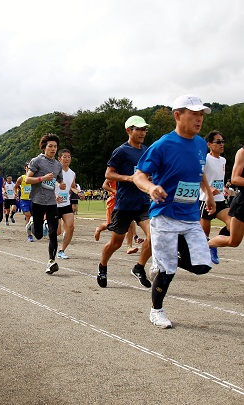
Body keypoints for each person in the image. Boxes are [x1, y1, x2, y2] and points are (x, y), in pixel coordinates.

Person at [134, 95, 215, 328]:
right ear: (178, 115)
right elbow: (139, 175)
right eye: (194, 114)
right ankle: (156, 311)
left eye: (201, 115)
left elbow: (198, 173)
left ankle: (159, 262)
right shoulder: (162, 145)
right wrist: (151, 187)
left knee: (202, 266)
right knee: (169, 269)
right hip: (165, 214)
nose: (199, 119)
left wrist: (208, 193)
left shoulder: (201, 144)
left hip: (190, 216)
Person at [97, 116, 152, 289]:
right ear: (129, 130)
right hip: (125, 204)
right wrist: (128, 178)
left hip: (143, 202)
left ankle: (139, 267)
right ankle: (102, 266)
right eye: (139, 129)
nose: (143, 132)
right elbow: (108, 174)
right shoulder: (121, 151)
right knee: (116, 243)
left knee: (155, 236)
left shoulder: (146, 150)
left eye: (145, 129)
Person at [25, 134, 65, 274]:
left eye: (55, 146)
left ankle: (51, 261)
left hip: (51, 202)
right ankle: (31, 224)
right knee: (39, 235)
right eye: (50, 146)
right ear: (44, 147)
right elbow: (28, 179)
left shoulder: (58, 165)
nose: (53, 149)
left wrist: (62, 183)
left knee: (54, 232)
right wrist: (42, 178)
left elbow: (58, 179)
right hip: (37, 201)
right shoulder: (37, 161)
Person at [199, 131, 231, 264]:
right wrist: (209, 189)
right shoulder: (205, 159)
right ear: (209, 144)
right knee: (203, 235)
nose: (222, 144)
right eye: (218, 142)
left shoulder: (223, 160)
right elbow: (199, 177)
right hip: (205, 200)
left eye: (223, 141)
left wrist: (223, 188)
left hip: (220, 201)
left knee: (232, 225)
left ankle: (213, 245)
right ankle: (198, 256)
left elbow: (218, 178)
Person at [208, 147, 244, 252]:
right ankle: (206, 245)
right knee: (234, 241)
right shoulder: (242, 152)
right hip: (242, 203)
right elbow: (235, 179)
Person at [55, 149, 78, 259]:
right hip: (53, 204)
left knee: (70, 227)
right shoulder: (54, 172)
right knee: (57, 232)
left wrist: (79, 192)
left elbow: (72, 186)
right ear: (59, 159)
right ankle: (35, 223)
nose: (67, 159)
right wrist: (55, 196)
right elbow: (47, 186)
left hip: (66, 204)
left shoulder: (72, 173)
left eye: (69, 157)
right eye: (64, 156)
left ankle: (61, 250)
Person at [15, 163, 34, 242]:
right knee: (28, 215)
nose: (29, 169)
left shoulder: (34, 178)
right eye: (28, 167)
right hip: (24, 200)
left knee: (34, 217)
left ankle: (33, 228)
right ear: (25, 168)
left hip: (33, 200)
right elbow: (15, 187)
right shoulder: (21, 178)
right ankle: (29, 235)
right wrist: (16, 193)